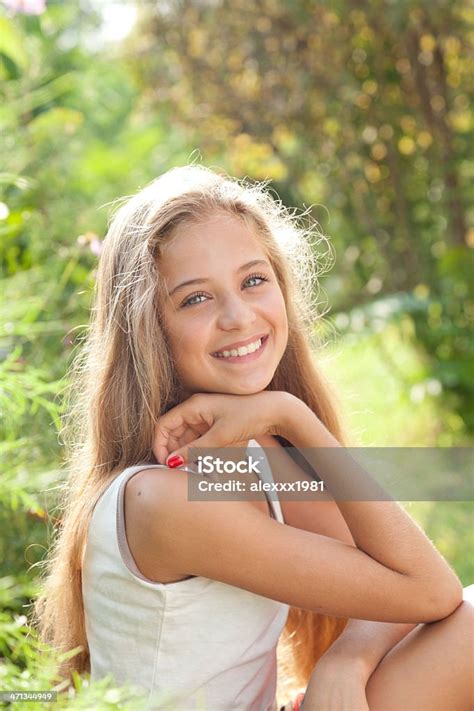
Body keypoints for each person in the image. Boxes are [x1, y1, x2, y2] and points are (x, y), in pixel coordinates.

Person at [34, 165, 473, 711]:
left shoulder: (241, 461)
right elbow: (431, 588)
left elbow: (397, 564)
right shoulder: (163, 498)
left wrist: (348, 658)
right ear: (150, 328)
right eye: (196, 299)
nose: (239, 317)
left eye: (253, 280)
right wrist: (293, 417)